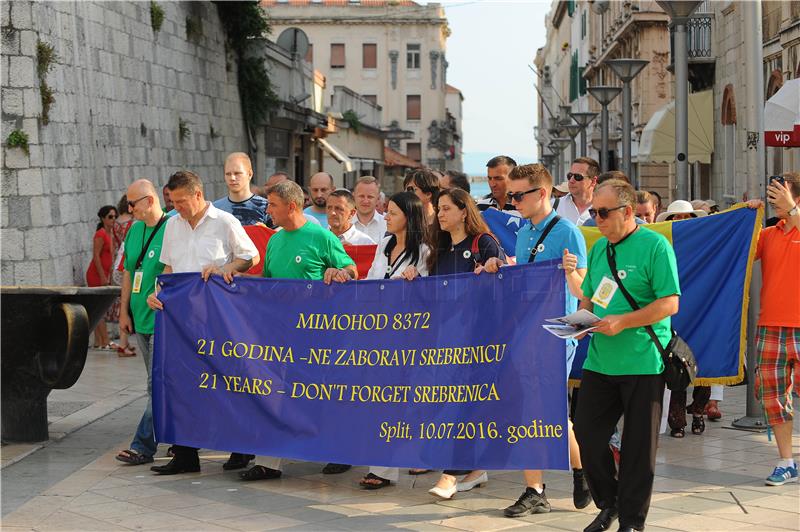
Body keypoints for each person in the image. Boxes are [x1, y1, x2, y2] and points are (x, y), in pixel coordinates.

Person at [480, 164, 591, 517]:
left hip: (558, 332)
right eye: (510, 195)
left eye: (518, 195)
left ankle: (579, 469)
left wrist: (571, 271)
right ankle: (540, 486)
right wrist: (499, 268)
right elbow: (523, 278)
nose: (512, 201)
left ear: (541, 194)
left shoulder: (568, 232)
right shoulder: (525, 232)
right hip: (525, 330)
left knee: (547, 411)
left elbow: (584, 294)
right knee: (530, 409)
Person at [574, 179, 680, 532]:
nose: (597, 219)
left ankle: (632, 521)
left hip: (643, 361)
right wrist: (579, 320)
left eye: (603, 212)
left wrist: (624, 321)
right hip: (600, 361)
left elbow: (669, 303)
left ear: (628, 211)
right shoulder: (599, 248)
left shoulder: (655, 246)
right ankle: (610, 503)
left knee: (638, 449)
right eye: (593, 212)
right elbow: (589, 295)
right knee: (587, 437)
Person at [239, 180, 358, 482]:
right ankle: (269, 461)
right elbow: (265, 284)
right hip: (279, 335)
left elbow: (352, 269)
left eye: (273, 205)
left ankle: (339, 452)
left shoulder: (320, 236)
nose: (268, 210)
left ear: (291, 206)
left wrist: (339, 272)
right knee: (275, 394)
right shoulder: (275, 241)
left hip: (318, 336)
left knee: (324, 394)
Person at [146, 170, 259, 475]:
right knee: (182, 384)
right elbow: (169, 267)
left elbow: (250, 257)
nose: (176, 206)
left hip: (219, 316)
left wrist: (225, 268)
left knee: (228, 380)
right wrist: (156, 294)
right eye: (173, 201)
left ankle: (241, 447)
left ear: (197, 195)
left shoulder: (225, 222)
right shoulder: (171, 225)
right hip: (181, 318)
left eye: (181, 201)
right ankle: (185, 453)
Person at [422, 188, 504, 499]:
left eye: (445, 208)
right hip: (446, 340)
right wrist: (415, 278)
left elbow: (502, 277)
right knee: (453, 405)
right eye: (438, 209)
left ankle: (450, 475)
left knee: (461, 405)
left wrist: (492, 269)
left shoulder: (483, 243)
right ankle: (475, 468)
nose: (439, 214)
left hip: (477, 341)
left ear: (463, 212)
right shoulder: (439, 249)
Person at [746, 172, 800, 486]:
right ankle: (786, 462)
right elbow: (740, 250)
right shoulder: (769, 233)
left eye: (779, 194)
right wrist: (747, 217)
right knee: (775, 400)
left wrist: (791, 209)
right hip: (770, 328)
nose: (773, 200)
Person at [115, 180, 170, 466]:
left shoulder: (173, 226)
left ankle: (143, 445)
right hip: (141, 320)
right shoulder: (135, 230)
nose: (128, 209)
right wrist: (124, 313)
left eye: (132, 203)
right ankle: (182, 439)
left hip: (164, 320)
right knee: (160, 385)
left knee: (156, 386)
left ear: (149, 201)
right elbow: (128, 272)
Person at [108, 194, 136, 357]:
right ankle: (124, 343)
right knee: (127, 303)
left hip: (118, 261)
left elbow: (113, 245)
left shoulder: (116, 222)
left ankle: (124, 342)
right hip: (128, 261)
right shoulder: (133, 224)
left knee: (122, 302)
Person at [86, 205, 118, 349]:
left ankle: (99, 342)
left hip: (104, 275)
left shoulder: (111, 234)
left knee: (100, 308)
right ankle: (104, 341)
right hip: (96, 275)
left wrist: (109, 276)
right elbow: (96, 257)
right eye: (110, 217)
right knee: (100, 308)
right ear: (103, 218)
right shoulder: (100, 234)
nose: (113, 219)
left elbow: (110, 257)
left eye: (115, 216)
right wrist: (102, 276)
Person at [213, 152, 269, 227]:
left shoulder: (266, 206)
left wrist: (265, 231)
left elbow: (279, 235)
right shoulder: (215, 209)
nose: (232, 178)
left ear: (250, 174)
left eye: (237, 173)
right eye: (228, 174)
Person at [557, 157, 600, 226]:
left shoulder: (605, 208)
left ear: (593, 181)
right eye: (570, 176)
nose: (571, 180)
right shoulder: (553, 206)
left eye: (577, 177)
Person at [352, 176, 387, 244]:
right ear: (353, 197)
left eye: (370, 197)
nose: (365, 201)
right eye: (361, 196)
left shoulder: (387, 225)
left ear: (378, 199)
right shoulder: (342, 225)